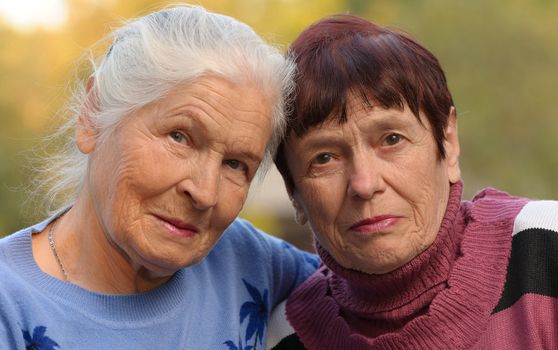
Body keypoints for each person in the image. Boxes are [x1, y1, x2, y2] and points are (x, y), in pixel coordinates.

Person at [0, 5, 318, 349]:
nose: (205, 193)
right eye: (180, 137)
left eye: (236, 164)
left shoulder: (246, 260)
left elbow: (368, 288)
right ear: (93, 115)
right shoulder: (11, 306)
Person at [267, 14, 558, 350]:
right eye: (324, 158)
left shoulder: (544, 248)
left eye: (391, 139)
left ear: (447, 143)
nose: (364, 184)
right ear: (294, 192)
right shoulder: (285, 338)